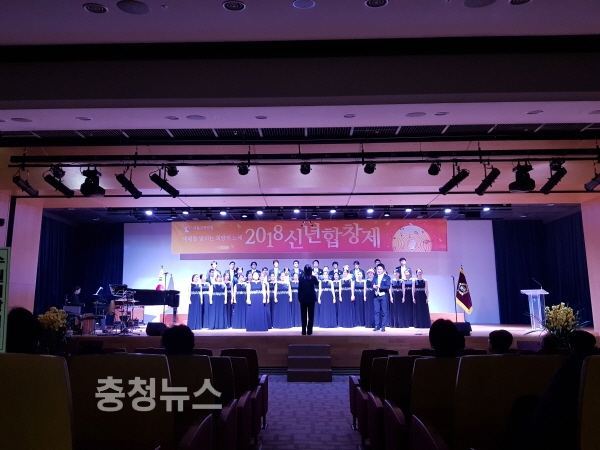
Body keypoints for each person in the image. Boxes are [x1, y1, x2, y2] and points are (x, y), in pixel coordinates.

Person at [298, 264, 319, 335]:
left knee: (303, 315)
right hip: (311, 298)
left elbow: (299, 288)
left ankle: (303, 331)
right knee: (311, 315)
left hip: (303, 298)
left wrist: (299, 298)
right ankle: (309, 331)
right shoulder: (313, 278)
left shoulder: (301, 277)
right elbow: (317, 284)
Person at [373, 263, 391, 331]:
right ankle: (376, 325)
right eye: (378, 269)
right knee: (376, 311)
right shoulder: (375, 277)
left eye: (380, 269)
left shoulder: (387, 277)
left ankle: (383, 326)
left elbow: (388, 287)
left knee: (384, 312)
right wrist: (373, 286)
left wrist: (380, 287)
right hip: (376, 296)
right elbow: (372, 284)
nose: (379, 270)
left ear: (383, 270)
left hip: (383, 296)